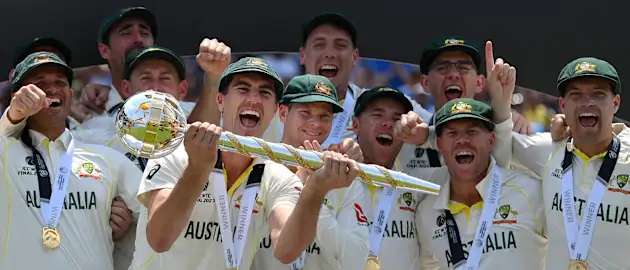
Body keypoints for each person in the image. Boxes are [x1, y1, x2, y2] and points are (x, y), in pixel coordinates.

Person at [130, 57, 360, 270]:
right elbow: (159, 239)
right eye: (243, 89)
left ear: (274, 111)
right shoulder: (175, 151)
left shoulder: (275, 175)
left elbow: (287, 251)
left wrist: (315, 191)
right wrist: (197, 169)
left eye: (264, 93)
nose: (253, 99)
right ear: (220, 101)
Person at [0, 52, 143, 269]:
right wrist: (14, 114)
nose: (52, 89)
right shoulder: (6, 153)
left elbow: (159, 213)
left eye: (60, 82)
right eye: (39, 83)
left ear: (70, 94)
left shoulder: (107, 158)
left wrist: (126, 228)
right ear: (18, 95)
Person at [491, 57, 630, 270]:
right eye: (576, 94)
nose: (587, 102)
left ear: (616, 103)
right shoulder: (548, 150)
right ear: (563, 105)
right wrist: (501, 103)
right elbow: (494, 146)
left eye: (598, 94)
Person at [409, 98, 545, 269]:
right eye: (452, 133)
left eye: (471, 132)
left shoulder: (530, 191)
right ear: (439, 145)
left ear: (491, 140)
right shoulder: (426, 212)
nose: (462, 140)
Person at [262, 12, 432, 146]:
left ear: (354, 57)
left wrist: (424, 136)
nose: (330, 53)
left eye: (340, 45)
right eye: (319, 44)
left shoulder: (384, 104)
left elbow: (442, 132)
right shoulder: (273, 108)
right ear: (303, 55)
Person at [253, 74, 369, 270]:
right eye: (305, 113)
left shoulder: (342, 176)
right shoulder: (258, 166)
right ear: (283, 113)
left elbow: (355, 261)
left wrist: (317, 193)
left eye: (324, 116)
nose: (315, 123)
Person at [397, 38, 531, 171]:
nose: (454, 74)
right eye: (442, 68)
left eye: (463, 68)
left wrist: (502, 111)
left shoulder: (505, 127)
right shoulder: (411, 130)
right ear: (425, 83)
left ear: (479, 83)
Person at [350, 86, 425, 270]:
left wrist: (426, 137)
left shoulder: (419, 187)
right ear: (356, 125)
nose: (388, 124)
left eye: (397, 118)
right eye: (378, 115)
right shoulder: (333, 181)